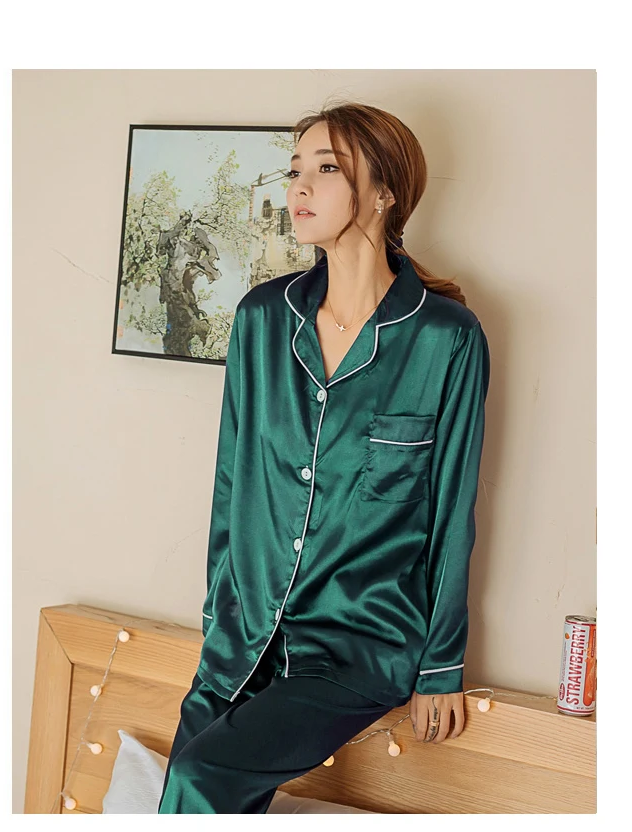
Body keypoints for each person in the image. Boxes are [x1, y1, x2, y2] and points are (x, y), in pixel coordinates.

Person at [157, 101, 491, 814]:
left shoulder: (446, 339)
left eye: (327, 169)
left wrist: (441, 664)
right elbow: (231, 484)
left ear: (385, 191)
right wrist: (220, 620)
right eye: (295, 170)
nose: (299, 188)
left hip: (357, 646)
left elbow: (451, 511)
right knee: (181, 785)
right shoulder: (260, 320)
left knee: (199, 779)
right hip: (245, 634)